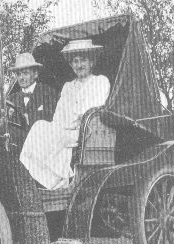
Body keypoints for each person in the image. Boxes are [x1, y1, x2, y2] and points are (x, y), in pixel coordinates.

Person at [20, 39, 110, 190]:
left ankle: (58, 181)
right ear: (71, 64)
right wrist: (63, 126)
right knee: (39, 126)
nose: (79, 65)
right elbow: (59, 115)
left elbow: (87, 113)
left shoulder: (99, 82)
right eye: (75, 61)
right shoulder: (68, 87)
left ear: (92, 62)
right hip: (65, 129)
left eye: (83, 60)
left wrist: (70, 122)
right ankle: (44, 180)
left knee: (51, 134)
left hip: (86, 133)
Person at [7, 53, 59, 152]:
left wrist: (29, 117)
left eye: (25, 73)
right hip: (15, 152)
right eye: (18, 74)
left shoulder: (49, 93)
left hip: (42, 149)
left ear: (35, 74)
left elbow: (54, 120)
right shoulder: (11, 99)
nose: (21, 77)